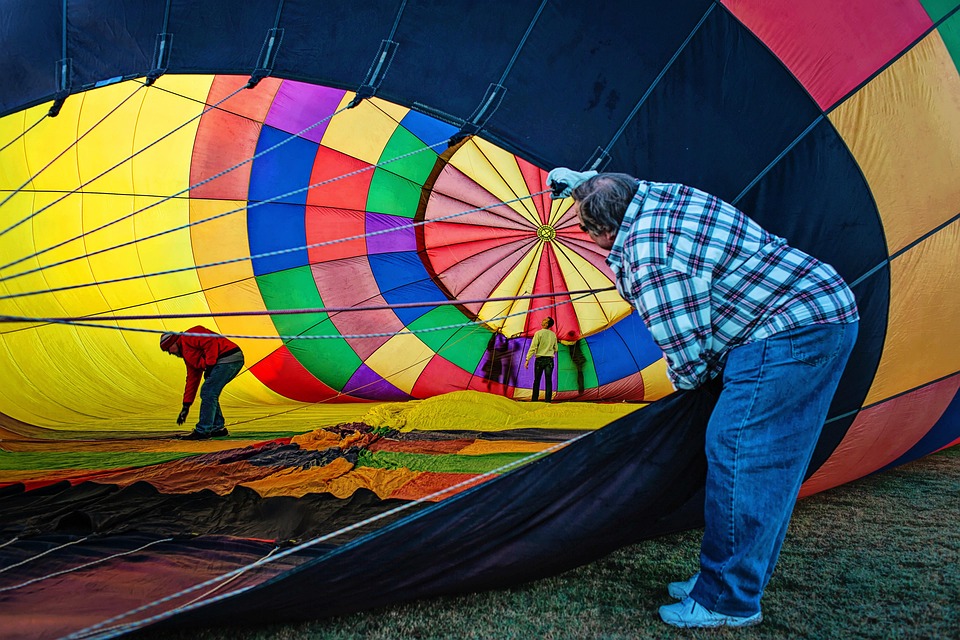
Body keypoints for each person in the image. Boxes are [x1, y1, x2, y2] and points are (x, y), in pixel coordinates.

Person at [548, 168, 859, 628]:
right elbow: (616, 185)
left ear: (605, 231)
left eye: (588, 230)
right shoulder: (662, 194)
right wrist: (580, 182)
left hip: (787, 335)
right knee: (766, 465)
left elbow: (685, 346)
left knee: (742, 456)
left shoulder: (649, 256)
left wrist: (682, 394)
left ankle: (726, 601)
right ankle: (723, 581)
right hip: (819, 313)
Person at [159, 326, 245, 440]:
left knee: (208, 391)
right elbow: (192, 379)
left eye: (168, 349)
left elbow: (210, 341)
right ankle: (217, 428)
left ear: (174, 342)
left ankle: (203, 430)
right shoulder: (188, 356)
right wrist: (186, 405)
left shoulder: (189, 335)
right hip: (224, 361)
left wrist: (210, 364)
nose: (170, 353)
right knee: (209, 391)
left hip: (228, 357)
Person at [524, 317, 558, 401]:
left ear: (546, 324)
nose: (542, 320)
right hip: (549, 360)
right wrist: (549, 352)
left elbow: (533, 347)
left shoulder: (538, 333)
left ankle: (535, 399)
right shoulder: (553, 335)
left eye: (544, 320)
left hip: (539, 360)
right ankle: (548, 401)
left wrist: (527, 359)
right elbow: (556, 349)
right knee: (548, 380)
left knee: (537, 380)